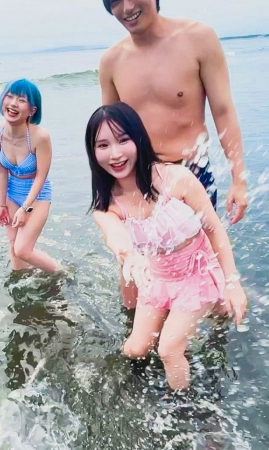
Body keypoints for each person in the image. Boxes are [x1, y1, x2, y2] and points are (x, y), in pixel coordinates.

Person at [97, 0, 249, 309]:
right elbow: (108, 132)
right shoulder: (112, 61)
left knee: (204, 267)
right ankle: (135, 333)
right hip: (138, 178)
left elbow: (223, 110)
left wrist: (239, 178)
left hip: (191, 174)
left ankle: (217, 329)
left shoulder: (198, 39)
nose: (126, 7)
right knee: (136, 276)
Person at [85, 102, 248, 394]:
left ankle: (185, 406)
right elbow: (116, 236)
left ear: (139, 138)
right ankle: (213, 313)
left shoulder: (176, 179)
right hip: (159, 278)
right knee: (135, 349)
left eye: (123, 140)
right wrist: (130, 256)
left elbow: (214, 229)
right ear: (93, 152)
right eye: (103, 145)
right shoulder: (106, 206)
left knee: (168, 349)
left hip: (198, 273)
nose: (115, 154)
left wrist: (233, 282)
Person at [0, 79, 61, 274]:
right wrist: (1, 205)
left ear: (32, 110)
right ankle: (20, 281)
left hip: (37, 194)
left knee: (23, 249)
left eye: (21, 100)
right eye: (9, 96)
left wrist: (26, 208)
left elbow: (41, 177)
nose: (13, 104)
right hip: (12, 191)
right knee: (13, 246)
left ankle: (62, 272)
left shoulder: (40, 137)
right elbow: (0, 171)